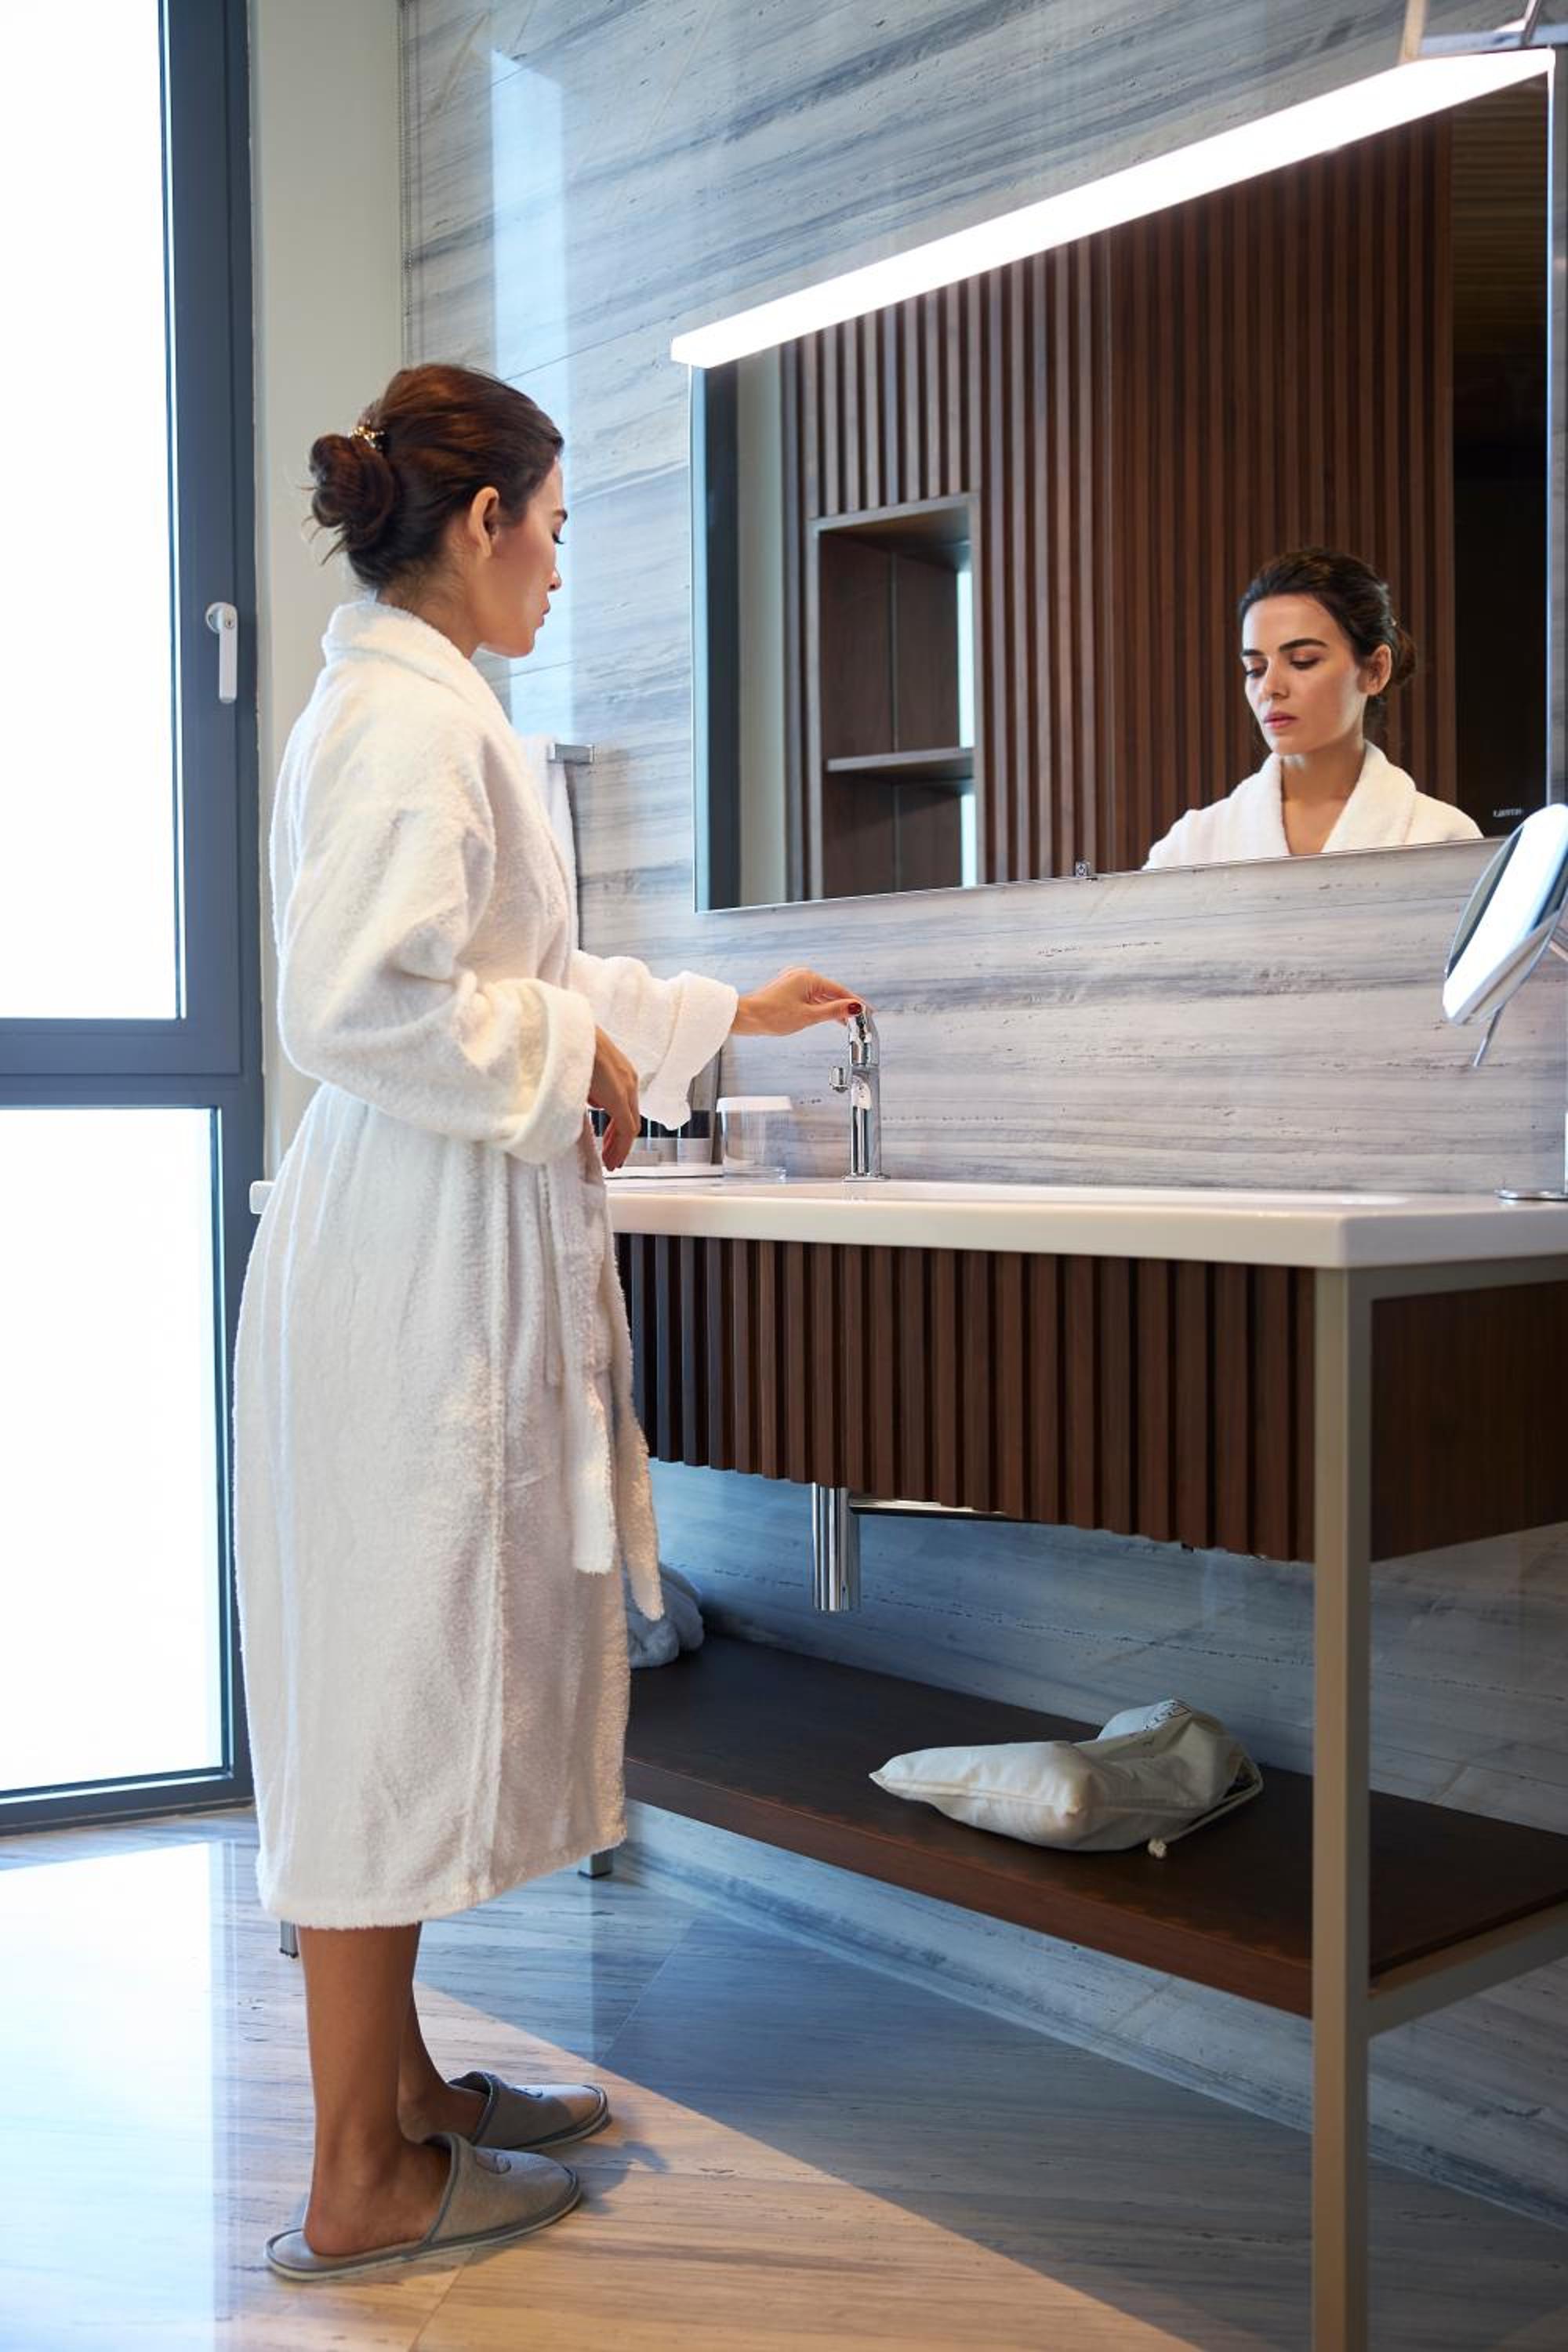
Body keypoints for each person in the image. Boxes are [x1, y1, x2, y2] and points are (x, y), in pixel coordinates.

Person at [233, 362, 862, 2280]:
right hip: (409, 1253)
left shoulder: (431, 706)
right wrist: (563, 1043)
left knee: (411, 1675)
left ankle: (405, 2093)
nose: (563, 570)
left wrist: (706, 1014)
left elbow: (514, 971)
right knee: (385, 1689)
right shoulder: (406, 723)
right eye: (557, 530)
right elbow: (355, 999)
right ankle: (357, 2179)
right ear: (485, 518)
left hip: (432, 1229)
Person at [1144, 548, 1482, 867]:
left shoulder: (1444, 838)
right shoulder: (1191, 847)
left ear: (1376, 670)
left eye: (1303, 661)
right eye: (1255, 669)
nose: (1270, 688)